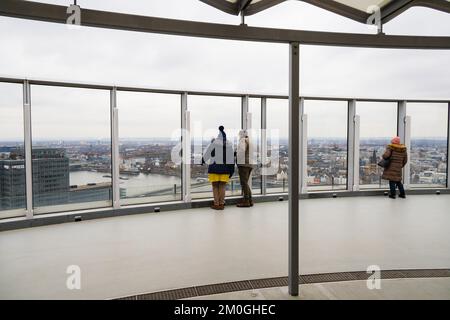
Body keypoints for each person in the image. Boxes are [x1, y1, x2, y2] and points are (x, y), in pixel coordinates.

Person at [202, 126, 235, 210]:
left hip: (214, 168)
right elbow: (231, 160)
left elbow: (207, 154)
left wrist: (202, 160)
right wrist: (231, 171)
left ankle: (216, 204)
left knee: (215, 186)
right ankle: (221, 203)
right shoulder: (229, 146)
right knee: (222, 187)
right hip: (225, 170)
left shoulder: (214, 144)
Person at [235, 129, 253, 207]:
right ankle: (250, 200)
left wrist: (237, 158)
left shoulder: (243, 140)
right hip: (249, 164)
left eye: (239, 134)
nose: (239, 136)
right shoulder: (250, 141)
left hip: (244, 165)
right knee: (245, 183)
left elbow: (242, 151)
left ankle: (246, 201)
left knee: (244, 183)